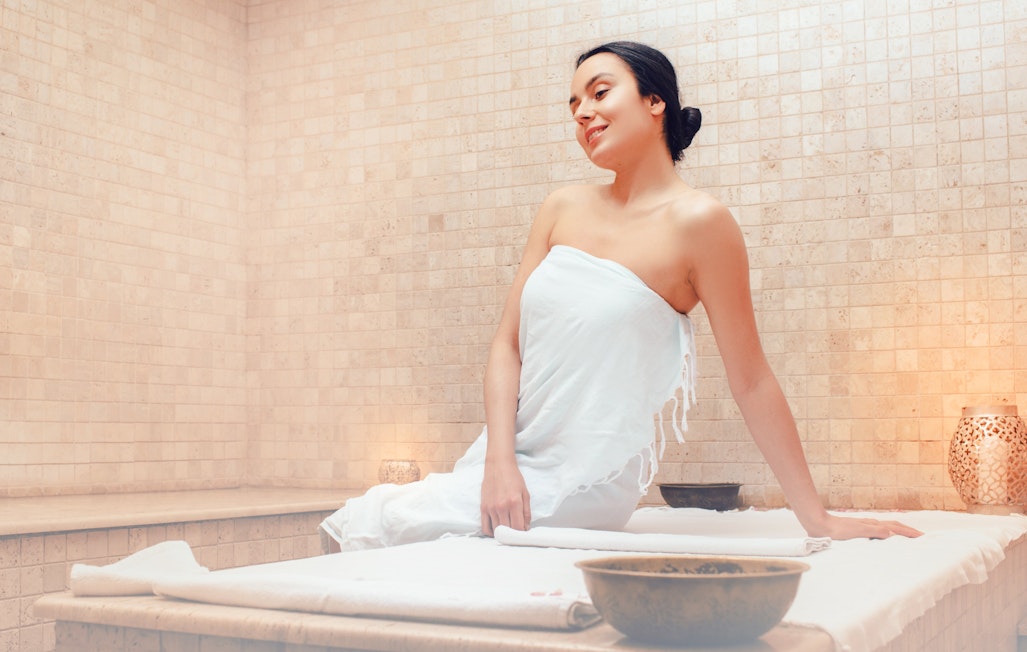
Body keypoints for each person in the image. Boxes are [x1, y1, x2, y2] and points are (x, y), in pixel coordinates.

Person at [321, 41, 921, 552]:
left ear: (654, 101)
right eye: (574, 104)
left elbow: (752, 379)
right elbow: (507, 346)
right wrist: (500, 464)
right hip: (504, 459)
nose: (583, 112)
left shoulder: (701, 223)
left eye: (599, 92)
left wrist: (815, 518)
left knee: (375, 522)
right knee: (369, 522)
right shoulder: (562, 207)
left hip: (588, 478)